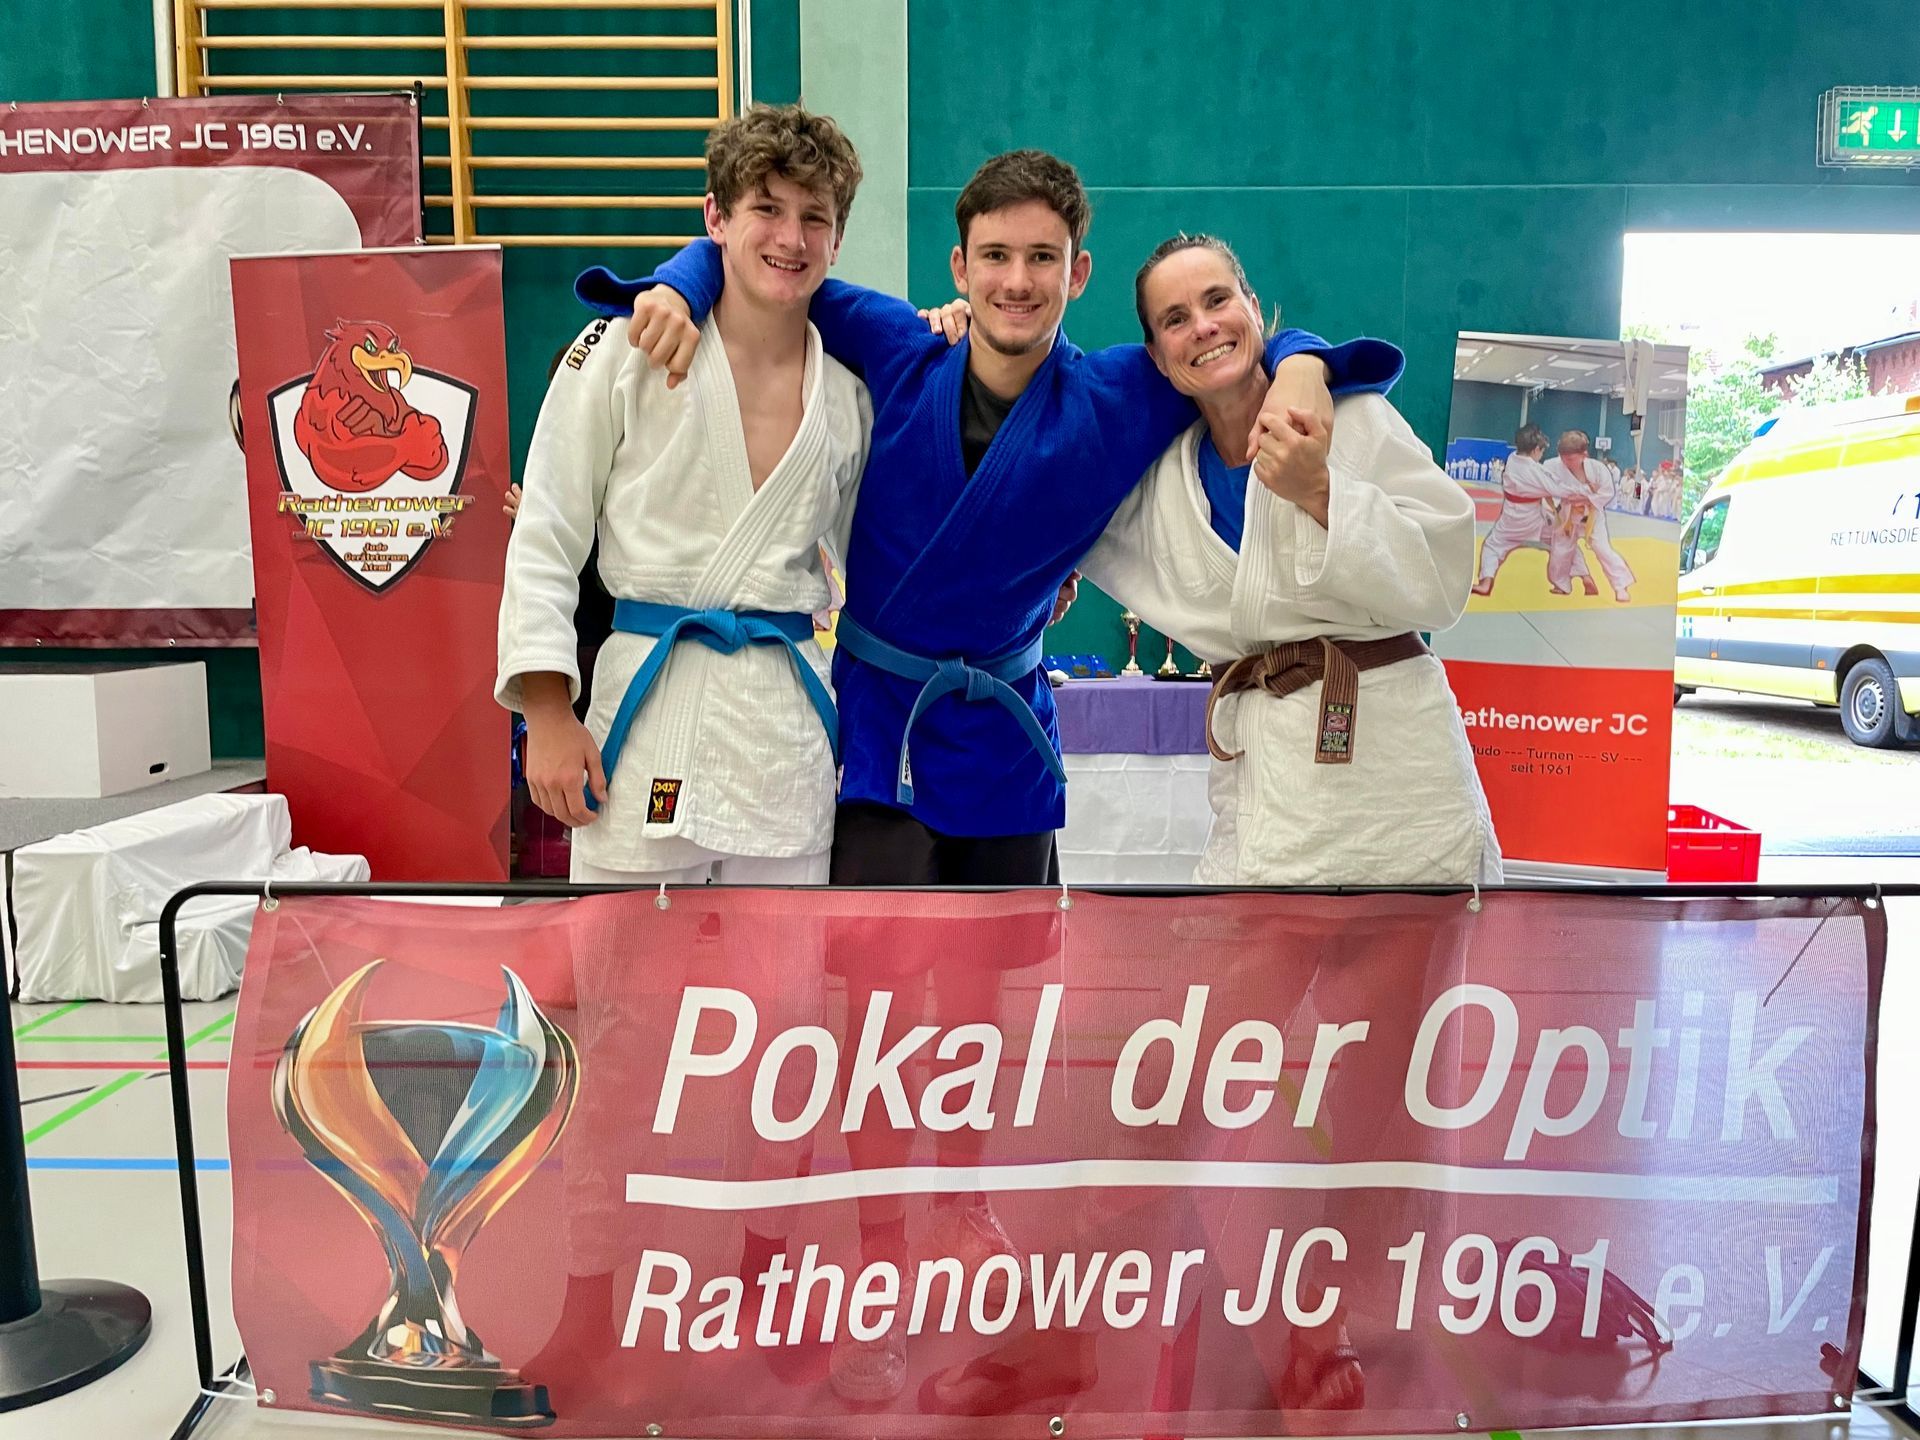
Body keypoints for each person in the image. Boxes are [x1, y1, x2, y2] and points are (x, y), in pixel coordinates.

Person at [579, 147, 1404, 1403]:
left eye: (1043, 260)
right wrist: (684, 278)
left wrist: (1297, 363)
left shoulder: (1122, 391)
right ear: (958, 266)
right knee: (869, 1030)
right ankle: (871, 1260)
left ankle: (958, 1214)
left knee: (971, 1024)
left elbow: (1232, 351)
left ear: (1078, 272)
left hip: (1006, 741)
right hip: (885, 735)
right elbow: (770, 267)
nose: (1018, 281)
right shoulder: (894, 346)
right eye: (996, 257)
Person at [494, 103, 870, 1373]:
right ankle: (589, 1296)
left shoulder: (850, 390)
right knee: (616, 1034)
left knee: (787, 1035)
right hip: (638, 722)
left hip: (780, 731)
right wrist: (548, 710)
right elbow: (547, 531)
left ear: (838, 239)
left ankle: (770, 1282)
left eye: (814, 217)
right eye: (765, 210)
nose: (789, 236)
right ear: (715, 219)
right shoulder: (620, 348)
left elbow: (873, 561)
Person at [1079, 233, 1501, 886]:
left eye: (1217, 300)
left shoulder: (1353, 418)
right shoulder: (1162, 481)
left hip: (1398, 781)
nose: (1204, 327)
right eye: (1175, 319)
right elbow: (1054, 508)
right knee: (1247, 951)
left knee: (1407, 954)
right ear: (1158, 357)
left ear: (1253, 308)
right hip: (1265, 791)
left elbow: (1444, 581)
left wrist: (1321, 492)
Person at [1469, 423, 1595, 597]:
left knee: (1492, 546)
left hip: (1510, 521)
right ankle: (1585, 576)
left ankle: (1485, 582)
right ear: (1536, 450)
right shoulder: (1535, 471)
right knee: (1564, 541)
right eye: (1541, 451)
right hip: (1533, 520)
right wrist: (1587, 491)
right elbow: (1560, 489)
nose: (1541, 456)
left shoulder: (1512, 459)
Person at [1545, 429, 1636, 602]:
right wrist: (1560, 504)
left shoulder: (1598, 469)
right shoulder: (1551, 466)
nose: (1566, 462)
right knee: (1560, 551)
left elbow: (1607, 493)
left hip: (1592, 516)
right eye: (1563, 457)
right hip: (1566, 515)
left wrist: (1585, 499)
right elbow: (1544, 489)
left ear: (1584, 455)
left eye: (1571, 459)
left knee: (1603, 549)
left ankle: (1620, 587)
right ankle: (1561, 584)